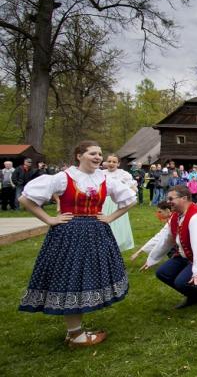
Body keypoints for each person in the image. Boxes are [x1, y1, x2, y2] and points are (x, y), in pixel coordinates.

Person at [18, 140, 135, 347]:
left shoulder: (105, 179)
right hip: (69, 234)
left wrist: (109, 217)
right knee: (72, 278)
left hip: (97, 233)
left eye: (100, 154)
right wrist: (50, 219)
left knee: (84, 278)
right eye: (93, 153)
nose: (98, 157)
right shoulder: (64, 178)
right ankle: (76, 335)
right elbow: (26, 199)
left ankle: (75, 332)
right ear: (79, 156)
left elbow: (129, 200)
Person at [141, 185, 197, 310]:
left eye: (171, 199)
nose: (168, 202)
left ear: (184, 198)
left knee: (182, 282)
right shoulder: (176, 216)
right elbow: (166, 239)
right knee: (163, 273)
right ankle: (194, 297)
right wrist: (152, 259)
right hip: (188, 254)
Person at [103, 154, 137, 251]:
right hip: (103, 202)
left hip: (117, 203)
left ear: (118, 164)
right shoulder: (100, 173)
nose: (111, 163)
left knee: (115, 225)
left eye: (114, 162)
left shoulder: (123, 174)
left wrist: (127, 192)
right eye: (109, 161)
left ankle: (114, 245)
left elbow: (133, 189)